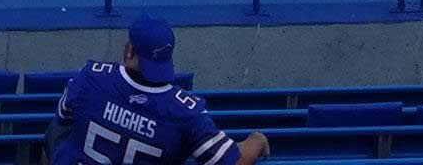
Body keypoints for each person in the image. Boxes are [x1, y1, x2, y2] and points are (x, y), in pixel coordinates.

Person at [49, 16, 267, 165]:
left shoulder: (90, 77)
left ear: (129, 50)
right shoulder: (185, 112)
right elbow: (234, 161)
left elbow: (60, 123)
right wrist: (257, 140)